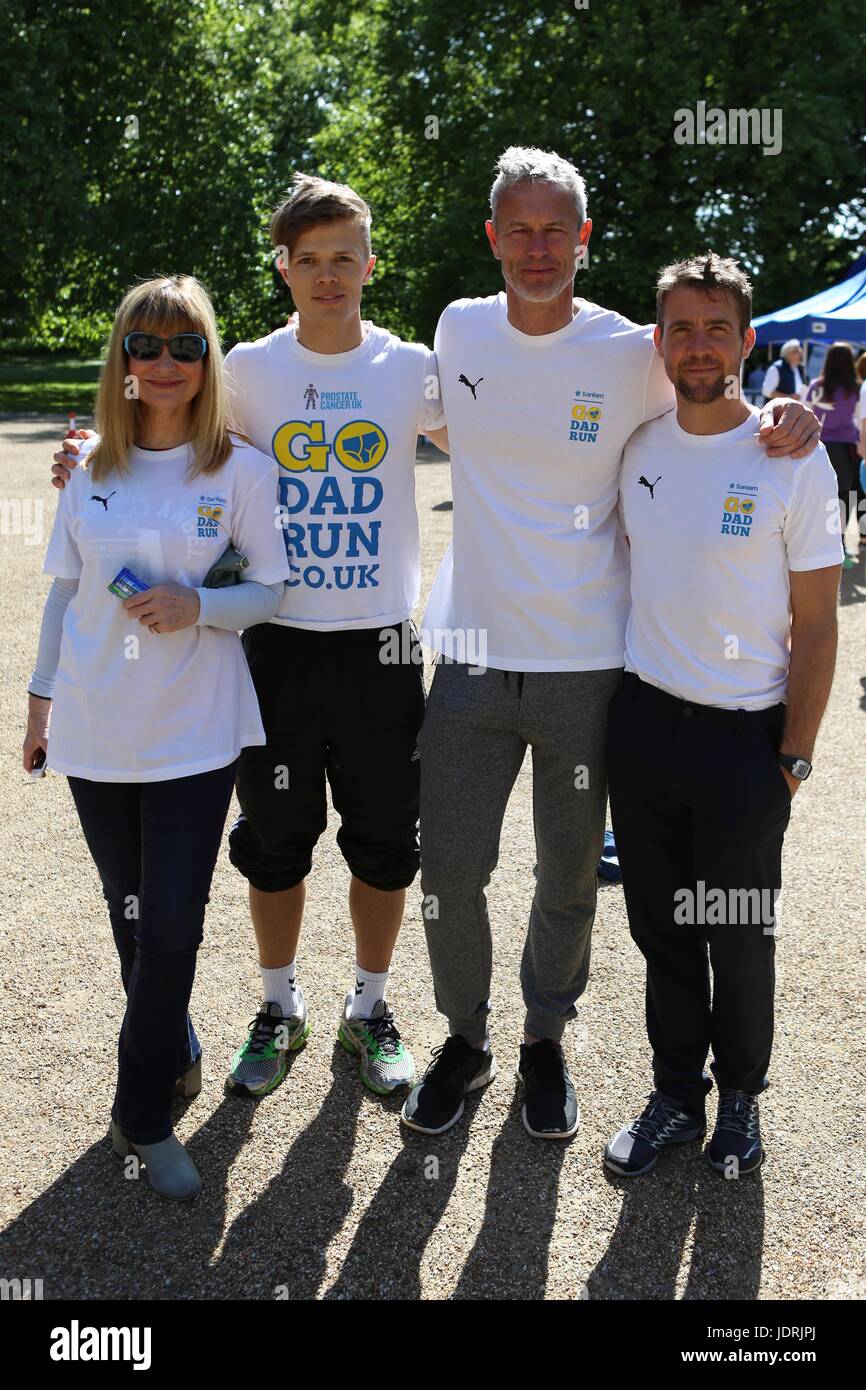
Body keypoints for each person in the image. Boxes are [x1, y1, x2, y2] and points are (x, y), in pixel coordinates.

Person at [400, 147, 821, 1141]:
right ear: (490, 237)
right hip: (468, 657)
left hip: (588, 669)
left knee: (565, 877)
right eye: (519, 229)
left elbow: (710, 395)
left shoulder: (631, 351)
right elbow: (388, 407)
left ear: (583, 239)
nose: (537, 249)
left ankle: (543, 1040)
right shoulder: (457, 327)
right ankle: (465, 1038)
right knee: (448, 871)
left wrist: (784, 411)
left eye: (557, 230)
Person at [54, 176, 449, 1101]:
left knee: (387, 842)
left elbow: (515, 445)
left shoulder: (411, 368)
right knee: (275, 844)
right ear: (283, 268)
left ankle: (370, 1006)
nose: (327, 274)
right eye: (308, 259)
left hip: (380, 646)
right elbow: (159, 430)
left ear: (369, 262)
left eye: (344, 256)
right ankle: (278, 1007)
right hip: (270, 646)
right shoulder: (248, 372)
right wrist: (82, 456)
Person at [26, 276, 290, 1199]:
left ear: (209, 359)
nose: (166, 363)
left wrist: (200, 605)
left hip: (193, 733)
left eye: (186, 347)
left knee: (171, 924)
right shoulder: (90, 465)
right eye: (146, 344)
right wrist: (38, 703)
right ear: (123, 359)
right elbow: (64, 593)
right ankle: (174, 1047)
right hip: (95, 732)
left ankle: (140, 1114)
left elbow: (270, 589)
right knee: (129, 914)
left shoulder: (241, 471)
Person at [603, 254, 841, 1179]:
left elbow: (818, 626)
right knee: (662, 932)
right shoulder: (638, 446)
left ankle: (742, 1099)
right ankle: (674, 1094)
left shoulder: (794, 459)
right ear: (658, 343)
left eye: (716, 329)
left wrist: (794, 758)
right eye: (680, 329)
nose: (697, 346)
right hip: (645, 726)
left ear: (747, 341)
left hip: (747, 738)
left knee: (738, 935)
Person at [806, 342, 861, 566]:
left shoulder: (816, 385)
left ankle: (814, 546)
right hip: (846, 449)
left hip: (815, 447)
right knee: (844, 498)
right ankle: (838, 547)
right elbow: (858, 419)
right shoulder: (855, 389)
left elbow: (805, 411)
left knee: (815, 497)